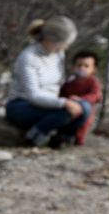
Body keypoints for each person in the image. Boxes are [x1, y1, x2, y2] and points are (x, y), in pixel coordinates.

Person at [5, 16, 90, 147]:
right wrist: (64, 103)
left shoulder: (59, 54)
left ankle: (61, 139)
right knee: (66, 111)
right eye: (64, 43)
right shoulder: (28, 58)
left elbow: (57, 84)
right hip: (22, 105)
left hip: (48, 103)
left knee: (84, 107)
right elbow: (34, 96)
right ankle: (33, 137)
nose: (66, 47)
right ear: (51, 40)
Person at [59, 50, 103, 146]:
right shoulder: (70, 80)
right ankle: (62, 139)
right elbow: (62, 92)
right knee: (65, 124)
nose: (82, 68)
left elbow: (96, 95)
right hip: (69, 107)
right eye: (79, 65)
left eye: (86, 66)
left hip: (86, 111)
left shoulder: (93, 81)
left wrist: (82, 99)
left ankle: (78, 141)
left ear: (94, 69)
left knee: (82, 127)